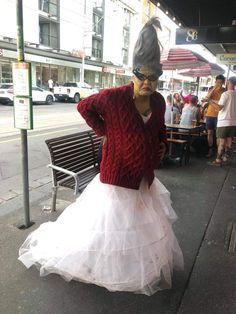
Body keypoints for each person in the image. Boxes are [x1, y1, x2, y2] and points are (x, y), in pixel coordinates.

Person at [18, 17, 183, 296]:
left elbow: (159, 128)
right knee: (109, 229)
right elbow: (84, 106)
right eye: (142, 76)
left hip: (144, 177)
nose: (147, 82)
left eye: (153, 77)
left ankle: (131, 265)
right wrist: (106, 131)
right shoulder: (114, 97)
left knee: (137, 230)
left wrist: (163, 144)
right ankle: (106, 268)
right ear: (132, 74)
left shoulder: (158, 100)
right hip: (116, 177)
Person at [208, 76, 236, 166]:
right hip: (233, 122)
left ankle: (218, 160)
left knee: (222, 141)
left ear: (228, 82)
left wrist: (210, 101)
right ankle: (225, 157)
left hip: (224, 121)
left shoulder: (225, 94)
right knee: (229, 140)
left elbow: (219, 108)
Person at [203, 75, 226, 157]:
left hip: (220, 115)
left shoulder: (224, 91)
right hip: (209, 114)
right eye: (217, 82)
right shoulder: (211, 89)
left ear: (223, 82)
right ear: (215, 82)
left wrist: (211, 101)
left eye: (220, 82)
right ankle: (210, 150)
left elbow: (221, 103)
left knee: (218, 135)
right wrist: (213, 88)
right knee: (209, 133)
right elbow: (206, 98)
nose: (219, 84)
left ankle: (218, 152)